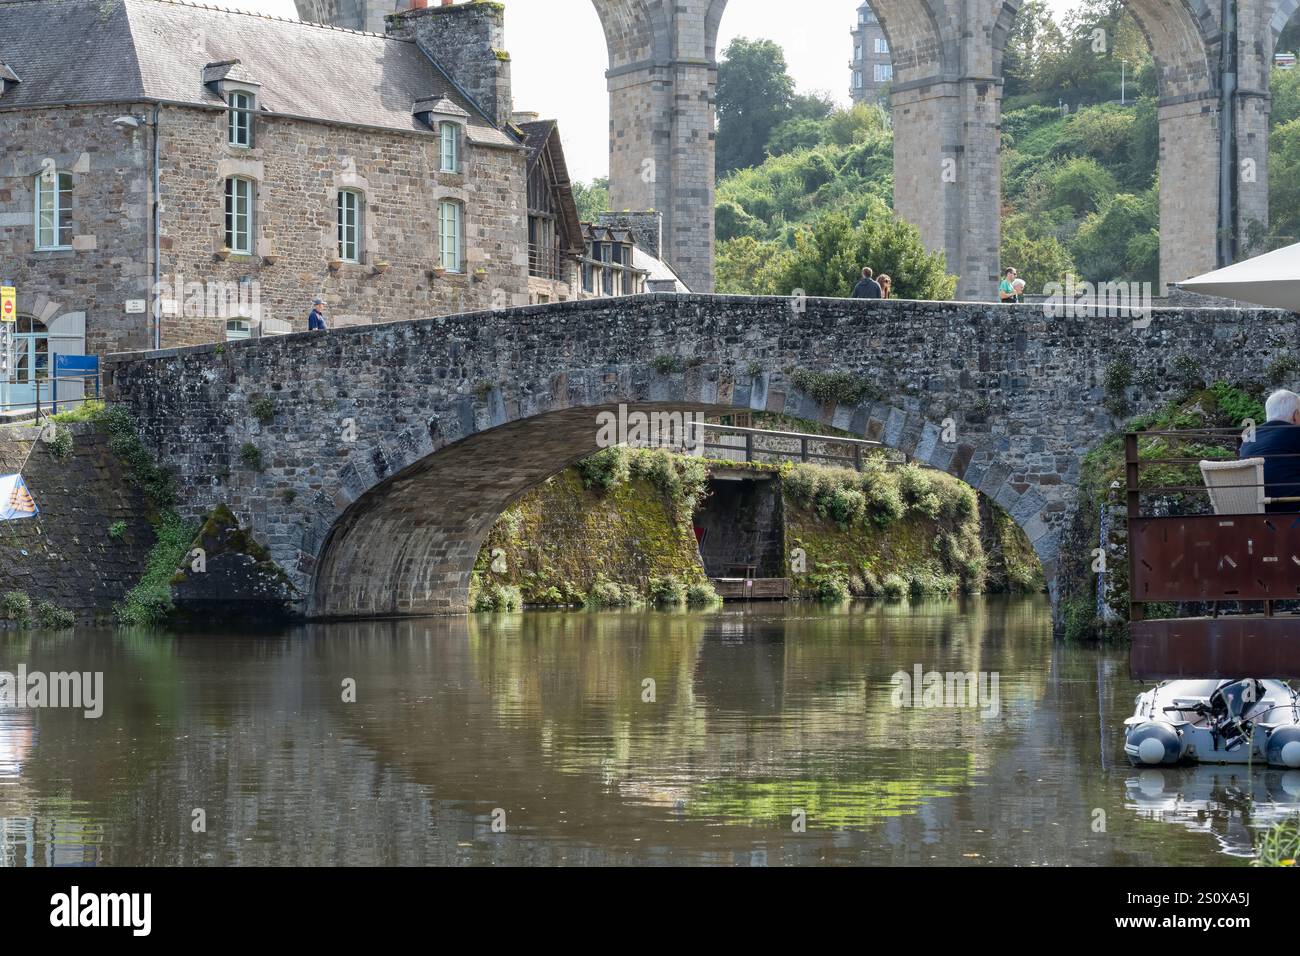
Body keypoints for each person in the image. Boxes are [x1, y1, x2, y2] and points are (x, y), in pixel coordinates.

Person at [1239, 389, 1300, 512]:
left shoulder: (1249, 437)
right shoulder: (1296, 432)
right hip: (1291, 508)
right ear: (1296, 415)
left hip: (1255, 511)